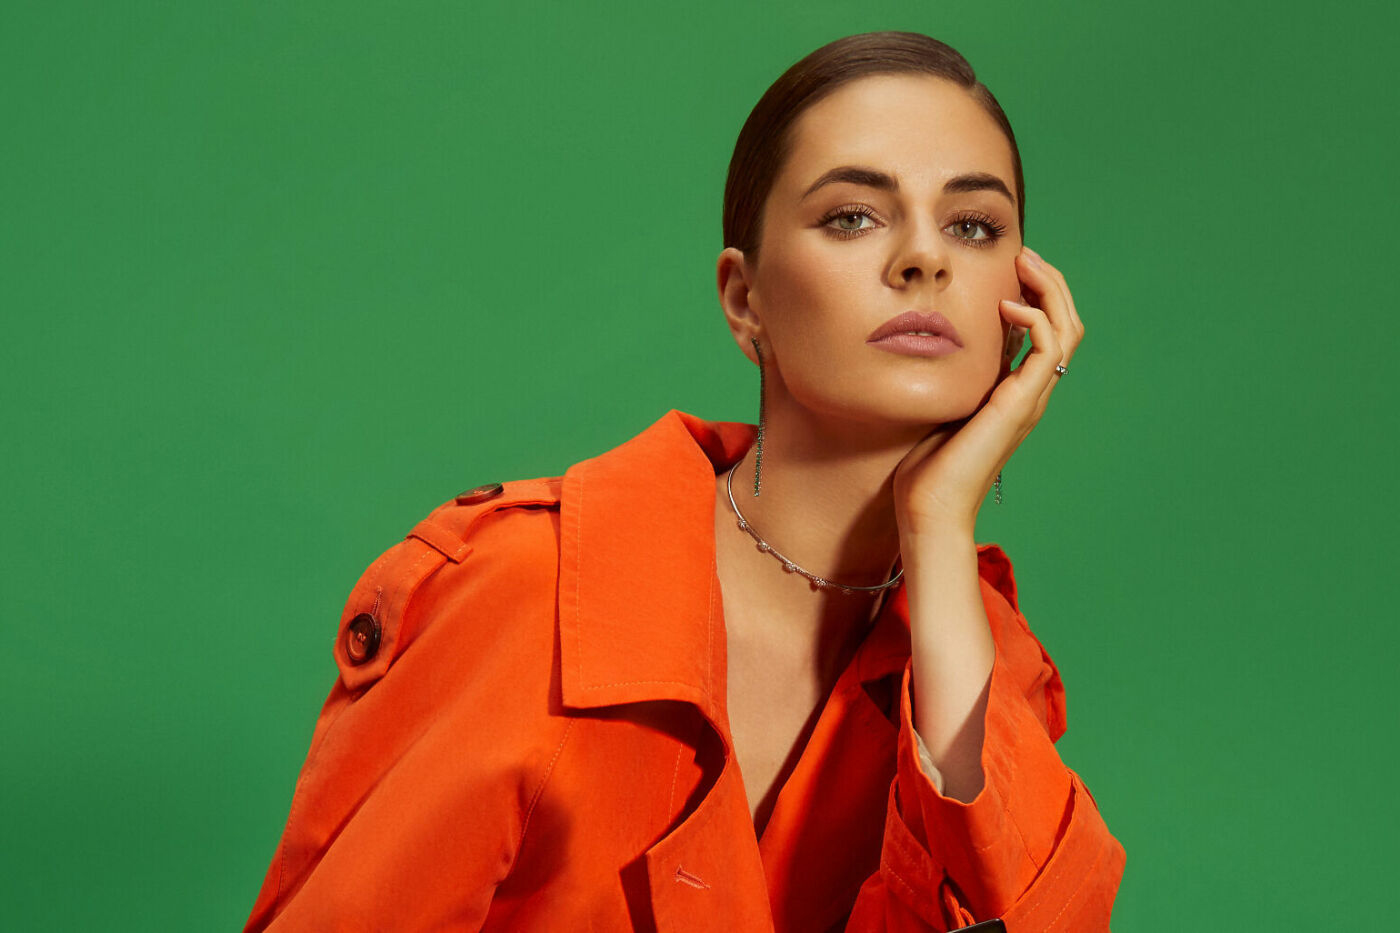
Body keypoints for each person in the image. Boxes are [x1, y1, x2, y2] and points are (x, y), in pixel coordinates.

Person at [244, 30, 1125, 932]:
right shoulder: (531, 593)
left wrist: (937, 525)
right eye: (853, 217)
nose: (924, 259)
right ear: (745, 300)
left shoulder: (977, 661)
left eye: (973, 226)